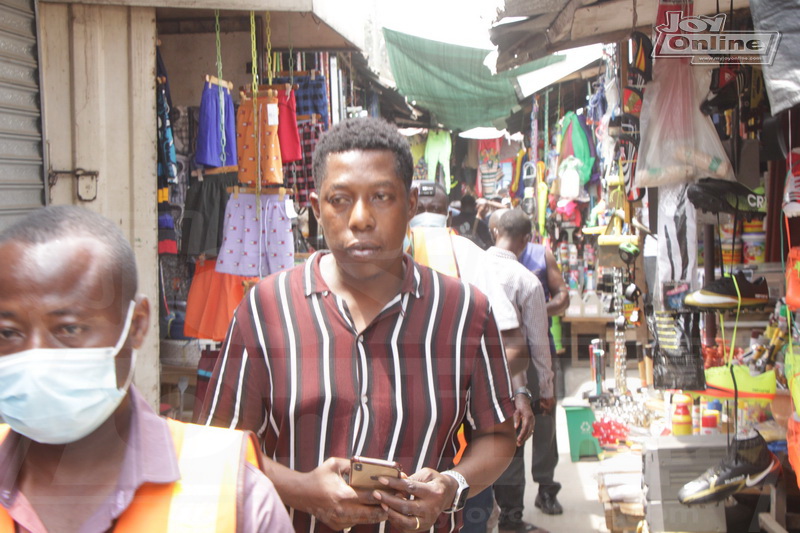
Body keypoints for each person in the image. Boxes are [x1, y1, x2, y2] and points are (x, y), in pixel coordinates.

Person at [200, 117, 518, 533]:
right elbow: (218, 449)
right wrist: (301, 490)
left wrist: (451, 486)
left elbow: (498, 436)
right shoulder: (265, 310)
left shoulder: (465, 313)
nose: (361, 219)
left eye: (382, 196)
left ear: (412, 205)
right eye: (340, 199)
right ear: (316, 209)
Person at [0, 205, 293, 533]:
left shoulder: (237, 497)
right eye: (8, 333)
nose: (36, 357)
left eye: (69, 328)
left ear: (137, 325)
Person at [410, 181, 535, 533]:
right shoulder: (469, 255)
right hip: (463, 442)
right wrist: (513, 391)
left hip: (452, 448)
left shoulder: (368, 261)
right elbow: (511, 340)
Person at [488, 209, 556, 533]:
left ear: (493, 231)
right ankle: (510, 520)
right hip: (512, 376)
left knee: (480, 441)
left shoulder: (470, 267)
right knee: (513, 444)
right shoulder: (526, 280)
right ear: (526, 240)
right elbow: (538, 342)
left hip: (469, 375)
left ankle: (482, 515)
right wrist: (547, 389)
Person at [518, 226, 570, 517]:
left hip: (541, 353)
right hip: (505, 355)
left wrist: (538, 310)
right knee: (509, 424)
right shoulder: (489, 257)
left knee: (545, 420)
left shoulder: (541, 255)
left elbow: (563, 296)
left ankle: (546, 489)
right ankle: (509, 501)